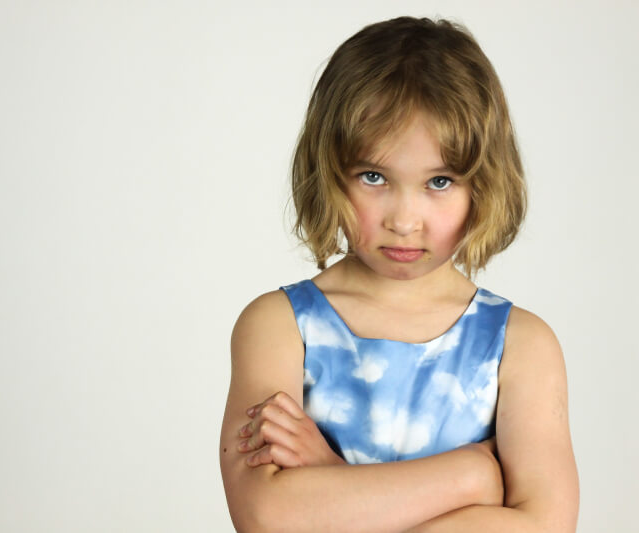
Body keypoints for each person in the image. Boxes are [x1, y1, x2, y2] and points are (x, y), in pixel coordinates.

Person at [218, 16, 579, 533]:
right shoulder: (277, 327)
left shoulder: (520, 345)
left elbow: (545, 527)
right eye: (373, 177)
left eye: (439, 181)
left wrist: (332, 480)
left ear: (484, 183)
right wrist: (471, 477)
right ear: (329, 171)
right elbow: (268, 516)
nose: (404, 221)